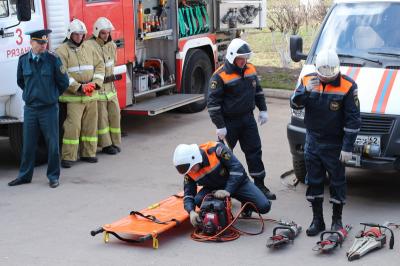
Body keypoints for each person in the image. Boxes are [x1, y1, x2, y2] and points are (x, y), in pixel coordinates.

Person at [290, 49, 361, 236]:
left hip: (335, 144)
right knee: (314, 181)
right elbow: (295, 104)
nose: (327, 78)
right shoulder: (308, 80)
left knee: (337, 183)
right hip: (313, 140)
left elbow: (353, 120)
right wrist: (305, 92)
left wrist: (347, 147)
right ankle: (317, 220)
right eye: (324, 74)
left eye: (331, 73)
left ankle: (337, 220)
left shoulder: (348, 86)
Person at [207, 38, 276, 200]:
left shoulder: (250, 69)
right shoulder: (220, 76)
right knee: (223, 156)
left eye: (246, 58)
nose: (243, 62)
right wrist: (220, 125)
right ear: (232, 57)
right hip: (228, 122)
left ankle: (259, 185)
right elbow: (213, 104)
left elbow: (257, 91)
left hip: (247, 119)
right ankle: (223, 187)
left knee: (254, 152)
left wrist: (263, 110)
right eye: (240, 58)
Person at [8, 29, 69, 188]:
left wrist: (51, 95)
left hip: (48, 108)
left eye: (45, 42)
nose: (43, 46)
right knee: (28, 144)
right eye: (40, 43)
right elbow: (21, 81)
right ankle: (24, 175)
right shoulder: (23, 60)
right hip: (30, 109)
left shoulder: (52, 59)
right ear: (31, 42)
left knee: (52, 144)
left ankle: (53, 176)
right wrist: (31, 94)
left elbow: (63, 82)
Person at [173, 141, 271, 227]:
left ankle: (245, 204)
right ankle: (222, 212)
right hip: (214, 188)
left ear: (195, 158)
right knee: (199, 201)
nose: (191, 171)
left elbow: (237, 169)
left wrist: (228, 190)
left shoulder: (216, 149)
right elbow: (188, 193)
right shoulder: (189, 171)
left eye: (192, 168)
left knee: (264, 206)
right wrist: (191, 212)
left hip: (237, 183)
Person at [56, 19, 105, 168]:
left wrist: (95, 83)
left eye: (82, 34)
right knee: (73, 126)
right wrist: (78, 87)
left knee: (90, 126)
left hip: (90, 94)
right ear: (70, 34)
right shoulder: (62, 51)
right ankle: (68, 157)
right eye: (76, 35)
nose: (79, 37)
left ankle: (88, 153)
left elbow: (100, 66)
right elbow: (62, 75)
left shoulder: (89, 47)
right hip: (74, 97)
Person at [86, 17, 121, 155]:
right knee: (102, 118)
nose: (106, 35)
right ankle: (106, 145)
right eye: (103, 33)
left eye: (107, 32)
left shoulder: (112, 45)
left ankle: (115, 142)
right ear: (96, 33)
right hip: (99, 89)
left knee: (115, 115)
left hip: (111, 88)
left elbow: (114, 63)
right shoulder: (89, 46)